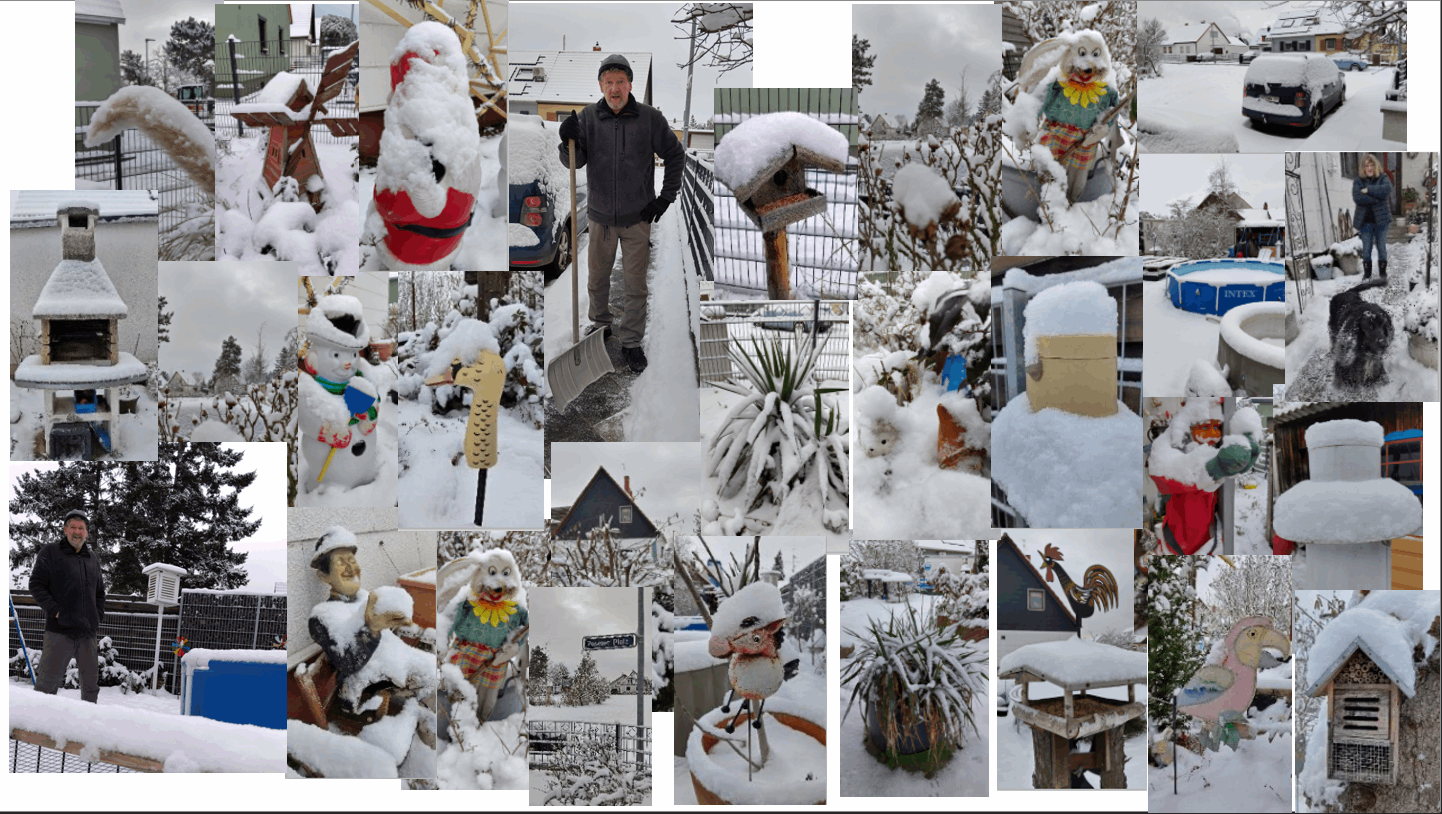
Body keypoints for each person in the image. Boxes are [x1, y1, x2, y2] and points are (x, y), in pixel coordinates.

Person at [557, 54, 685, 373]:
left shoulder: (649, 118)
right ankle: (601, 326)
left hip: (637, 220)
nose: (614, 88)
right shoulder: (588, 118)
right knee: (597, 280)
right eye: (608, 82)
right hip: (600, 219)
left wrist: (665, 198)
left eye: (620, 82)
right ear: (601, 85)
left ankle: (631, 342)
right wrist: (566, 141)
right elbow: (575, 161)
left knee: (635, 285)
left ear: (630, 84)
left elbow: (675, 154)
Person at [29, 509, 106, 703]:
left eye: (81, 528)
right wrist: (55, 611)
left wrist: (96, 616)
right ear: (65, 530)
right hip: (59, 631)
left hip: (87, 634)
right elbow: (36, 585)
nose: (77, 532)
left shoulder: (92, 559)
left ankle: (87, 721)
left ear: (86, 532)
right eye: (73, 527)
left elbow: (100, 592)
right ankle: (39, 721)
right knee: (46, 686)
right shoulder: (51, 552)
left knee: (91, 689)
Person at [1352, 153, 1393, 279]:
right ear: (1363, 168)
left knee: (1381, 247)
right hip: (1365, 222)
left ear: (1376, 166)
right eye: (1366, 166)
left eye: (1371, 165)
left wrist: (1368, 190)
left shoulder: (1383, 177)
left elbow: (1387, 190)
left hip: (1382, 220)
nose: (1369, 168)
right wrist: (1377, 198)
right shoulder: (1358, 181)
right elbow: (1358, 197)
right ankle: (1367, 274)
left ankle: (1382, 273)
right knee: (1366, 249)